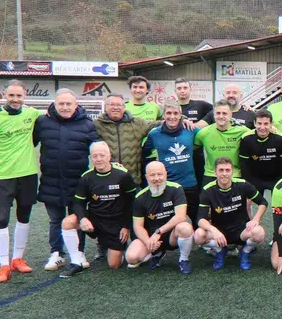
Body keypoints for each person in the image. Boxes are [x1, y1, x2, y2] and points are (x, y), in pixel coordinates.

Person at [0, 80, 40, 283]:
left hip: (28, 174)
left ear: (25, 97)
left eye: (19, 96)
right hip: (3, 177)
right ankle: (4, 264)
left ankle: (18, 259)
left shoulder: (31, 114)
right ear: (5, 95)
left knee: (24, 216)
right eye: (11, 95)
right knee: (2, 218)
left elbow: (41, 132)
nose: (15, 99)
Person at [34, 88, 98, 271]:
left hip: (77, 182)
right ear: (54, 104)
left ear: (76, 105)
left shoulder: (87, 124)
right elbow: (28, 142)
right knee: (55, 219)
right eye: (61, 103)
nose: (64, 107)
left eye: (68, 103)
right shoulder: (42, 122)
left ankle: (79, 252)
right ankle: (57, 253)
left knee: (77, 218)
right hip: (51, 181)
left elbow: (96, 149)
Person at [58, 141, 136, 277]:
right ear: (91, 157)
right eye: (95, 156)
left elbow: (132, 202)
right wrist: (82, 219)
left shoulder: (122, 175)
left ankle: (114, 247)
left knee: (114, 265)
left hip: (115, 223)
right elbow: (78, 202)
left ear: (109, 156)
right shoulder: (86, 177)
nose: (98, 159)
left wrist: (126, 226)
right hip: (95, 219)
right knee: (67, 222)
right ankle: (77, 261)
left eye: (102, 155)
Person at [195, 157, 266, 271]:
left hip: (241, 231)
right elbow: (200, 219)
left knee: (259, 233)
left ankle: (245, 252)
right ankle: (220, 251)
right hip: (219, 234)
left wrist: (256, 219)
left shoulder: (242, 185)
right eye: (221, 170)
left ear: (232, 171)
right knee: (198, 235)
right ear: (215, 172)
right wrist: (214, 230)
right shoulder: (208, 190)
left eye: (227, 170)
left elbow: (263, 202)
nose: (224, 174)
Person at [125, 161, 194, 273]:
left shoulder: (176, 189)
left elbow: (180, 216)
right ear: (146, 177)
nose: (156, 178)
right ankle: (157, 253)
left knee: (185, 227)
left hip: (171, 235)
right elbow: (138, 226)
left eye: (160, 174)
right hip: (151, 237)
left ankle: (183, 259)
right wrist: (148, 242)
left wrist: (159, 232)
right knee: (131, 258)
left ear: (166, 174)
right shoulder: (140, 197)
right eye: (152, 175)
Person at [142, 103, 200, 222]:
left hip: (189, 184)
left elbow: (209, 135)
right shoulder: (154, 134)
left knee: (197, 221)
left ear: (180, 115)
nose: (172, 117)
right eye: (168, 113)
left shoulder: (190, 130)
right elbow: (144, 153)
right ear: (163, 115)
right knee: (169, 221)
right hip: (167, 185)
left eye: (176, 113)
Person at [95, 94, 155, 187]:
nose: (115, 107)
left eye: (119, 105)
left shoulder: (137, 123)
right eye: (112, 104)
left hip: (132, 181)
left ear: (124, 107)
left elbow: (155, 124)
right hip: (105, 181)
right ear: (105, 107)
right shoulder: (96, 125)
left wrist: (181, 119)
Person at [238, 108, 282, 199]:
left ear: (271, 124)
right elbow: (244, 165)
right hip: (255, 178)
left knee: (279, 206)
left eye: (266, 124)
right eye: (259, 123)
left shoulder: (280, 138)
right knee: (250, 206)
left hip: (276, 178)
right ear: (254, 123)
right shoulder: (246, 139)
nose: (262, 127)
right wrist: (248, 184)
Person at [195, 99, 252, 178]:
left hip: (234, 175)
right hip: (211, 174)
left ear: (231, 115)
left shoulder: (242, 131)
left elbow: (258, 134)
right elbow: (192, 147)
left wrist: (271, 129)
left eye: (224, 113)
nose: (221, 116)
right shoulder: (204, 133)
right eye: (218, 113)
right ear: (214, 115)